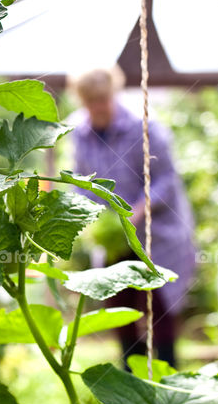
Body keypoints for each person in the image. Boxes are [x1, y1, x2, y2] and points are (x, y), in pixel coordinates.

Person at [70, 65, 196, 368]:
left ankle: (167, 375)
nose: (97, 107)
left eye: (102, 99)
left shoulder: (146, 128)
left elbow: (167, 178)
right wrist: (90, 214)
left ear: (112, 94)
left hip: (158, 233)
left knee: (161, 304)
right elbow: (80, 178)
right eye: (90, 101)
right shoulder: (79, 132)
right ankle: (130, 378)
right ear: (82, 100)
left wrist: (139, 209)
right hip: (115, 237)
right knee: (119, 303)